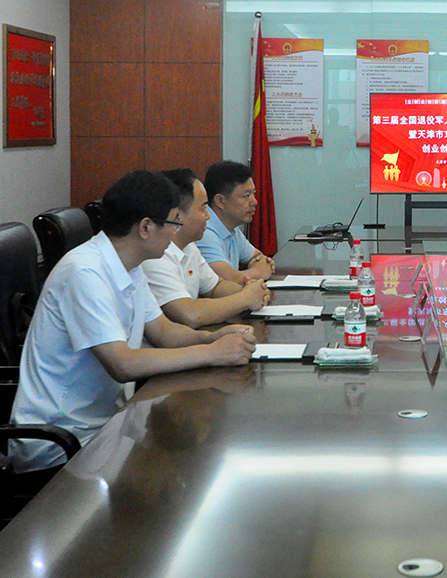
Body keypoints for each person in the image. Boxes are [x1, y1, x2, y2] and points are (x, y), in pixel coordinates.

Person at [9, 170, 257, 474]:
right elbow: (122, 364)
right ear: (146, 227)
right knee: (180, 467)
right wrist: (211, 353)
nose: (175, 233)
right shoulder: (85, 273)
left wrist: (213, 338)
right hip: (62, 443)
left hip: (107, 427)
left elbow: (163, 331)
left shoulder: (130, 265)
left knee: (189, 461)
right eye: (173, 223)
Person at [142, 168, 271, 328]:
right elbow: (190, 314)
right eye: (203, 208)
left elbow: (215, 287)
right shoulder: (155, 255)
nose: (208, 216)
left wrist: (252, 290)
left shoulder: (188, 247)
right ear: (177, 215)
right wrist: (246, 298)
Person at [195, 160, 274, 284]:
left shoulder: (231, 227)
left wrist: (257, 267)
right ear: (220, 201)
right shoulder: (204, 231)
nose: (254, 202)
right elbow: (226, 280)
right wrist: (259, 272)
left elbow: (258, 257)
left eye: (253, 194)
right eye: (246, 196)